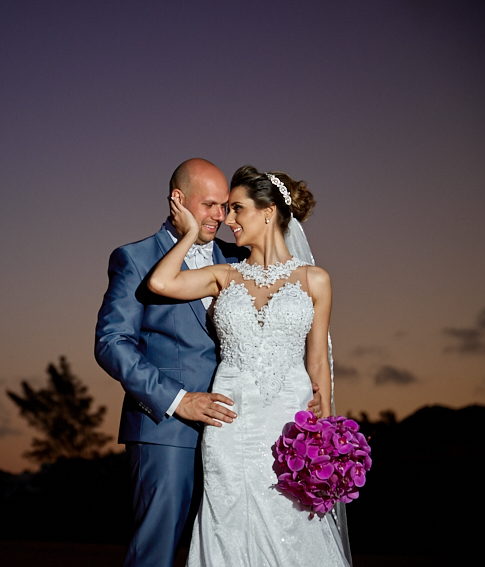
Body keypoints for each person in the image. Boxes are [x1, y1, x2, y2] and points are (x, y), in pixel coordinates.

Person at [94, 159, 322, 567]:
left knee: (234, 543)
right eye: (210, 205)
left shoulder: (237, 257)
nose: (221, 216)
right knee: (157, 551)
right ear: (178, 201)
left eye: (227, 206)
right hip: (168, 429)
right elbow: (112, 343)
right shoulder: (135, 257)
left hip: (241, 429)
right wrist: (178, 400)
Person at [148, 165, 351, 566]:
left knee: (292, 526)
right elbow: (161, 283)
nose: (228, 219)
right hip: (230, 425)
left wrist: (325, 433)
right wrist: (189, 233)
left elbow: (317, 361)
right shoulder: (224, 275)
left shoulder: (316, 280)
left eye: (238, 209)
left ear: (269, 211)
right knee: (227, 522)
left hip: (290, 423)